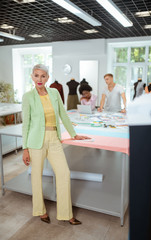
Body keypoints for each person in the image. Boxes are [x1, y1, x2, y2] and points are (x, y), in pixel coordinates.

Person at [22, 64, 90, 225]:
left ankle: (66, 214)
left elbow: (63, 115)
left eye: (43, 76)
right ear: (32, 77)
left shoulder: (54, 92)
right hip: (35, 141)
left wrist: (74, 134)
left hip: (54, 138)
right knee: (36, 177)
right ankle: (40, 211)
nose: (40, 79)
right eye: (36, 75)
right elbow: (26, 123)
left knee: (64, 173)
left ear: (47, 77)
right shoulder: (28, 96)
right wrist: (25, 148)